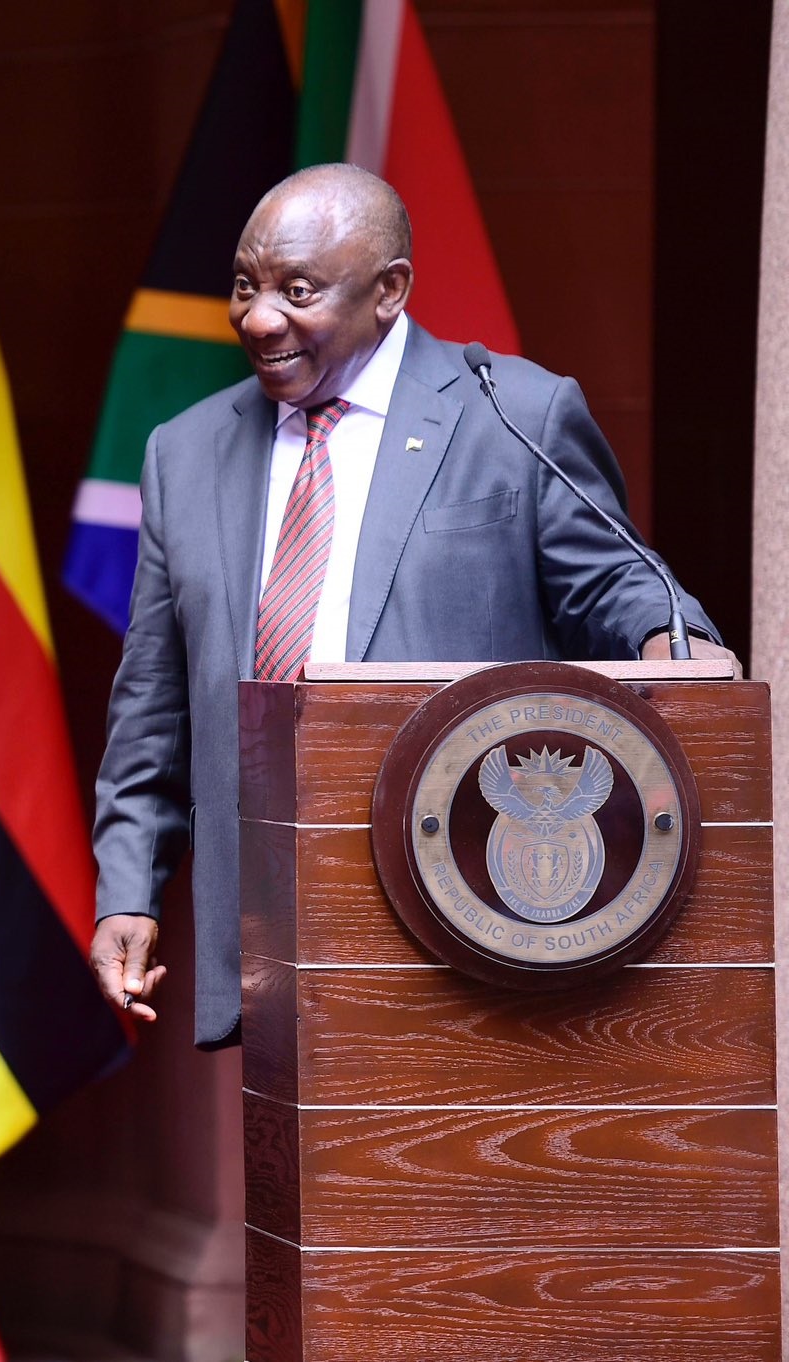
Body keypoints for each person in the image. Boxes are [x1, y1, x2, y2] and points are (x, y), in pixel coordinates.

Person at [87, 164, 731, 1048]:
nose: (259, 317)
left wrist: (675, 642)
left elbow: (617, 584)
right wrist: (127, 890)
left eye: (298, 290)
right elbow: (151, 707)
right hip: (272, 914)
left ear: (390, 291)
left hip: (472, 898)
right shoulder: (185, 452)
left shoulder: (516, 416)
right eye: (245, 286)